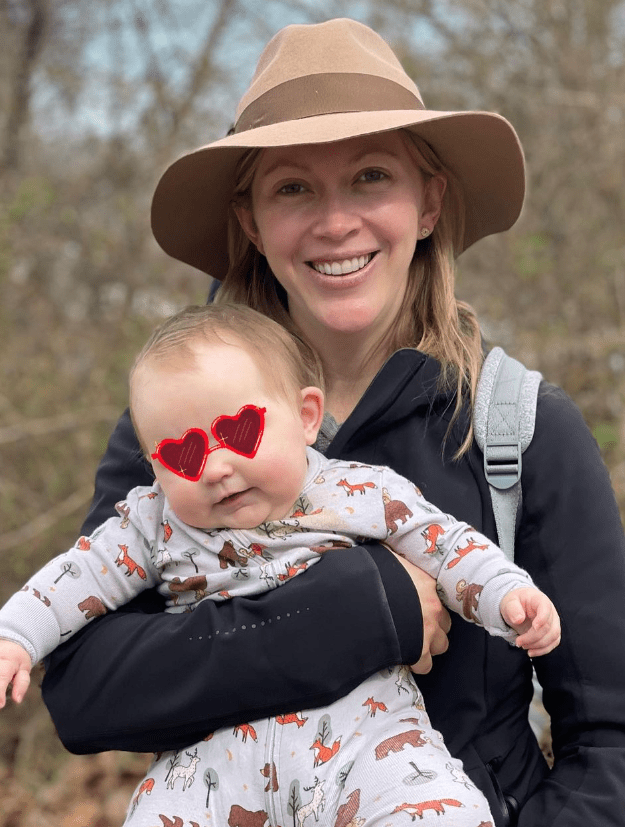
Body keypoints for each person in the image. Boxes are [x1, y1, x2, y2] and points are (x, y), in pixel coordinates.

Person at [38, 17, 625, 827]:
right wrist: (362, 609)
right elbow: (86, 691)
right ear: (251, 222)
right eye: (292, 188)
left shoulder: (520, 429)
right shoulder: (182, 435)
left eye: (371, 176)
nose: (334, 221)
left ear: (428, 204)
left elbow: (609, 746)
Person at [0, 303, 561, 824]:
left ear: (305, 416)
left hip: (364, 735)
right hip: (207, 762)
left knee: (438, 808)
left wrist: (506, 595)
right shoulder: (151, 522)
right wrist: (17, 636)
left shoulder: (360, 492)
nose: (216, 467)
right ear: (154, 467)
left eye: (239, 432)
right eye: (184, 454)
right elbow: (76, 576)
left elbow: (448, 546)